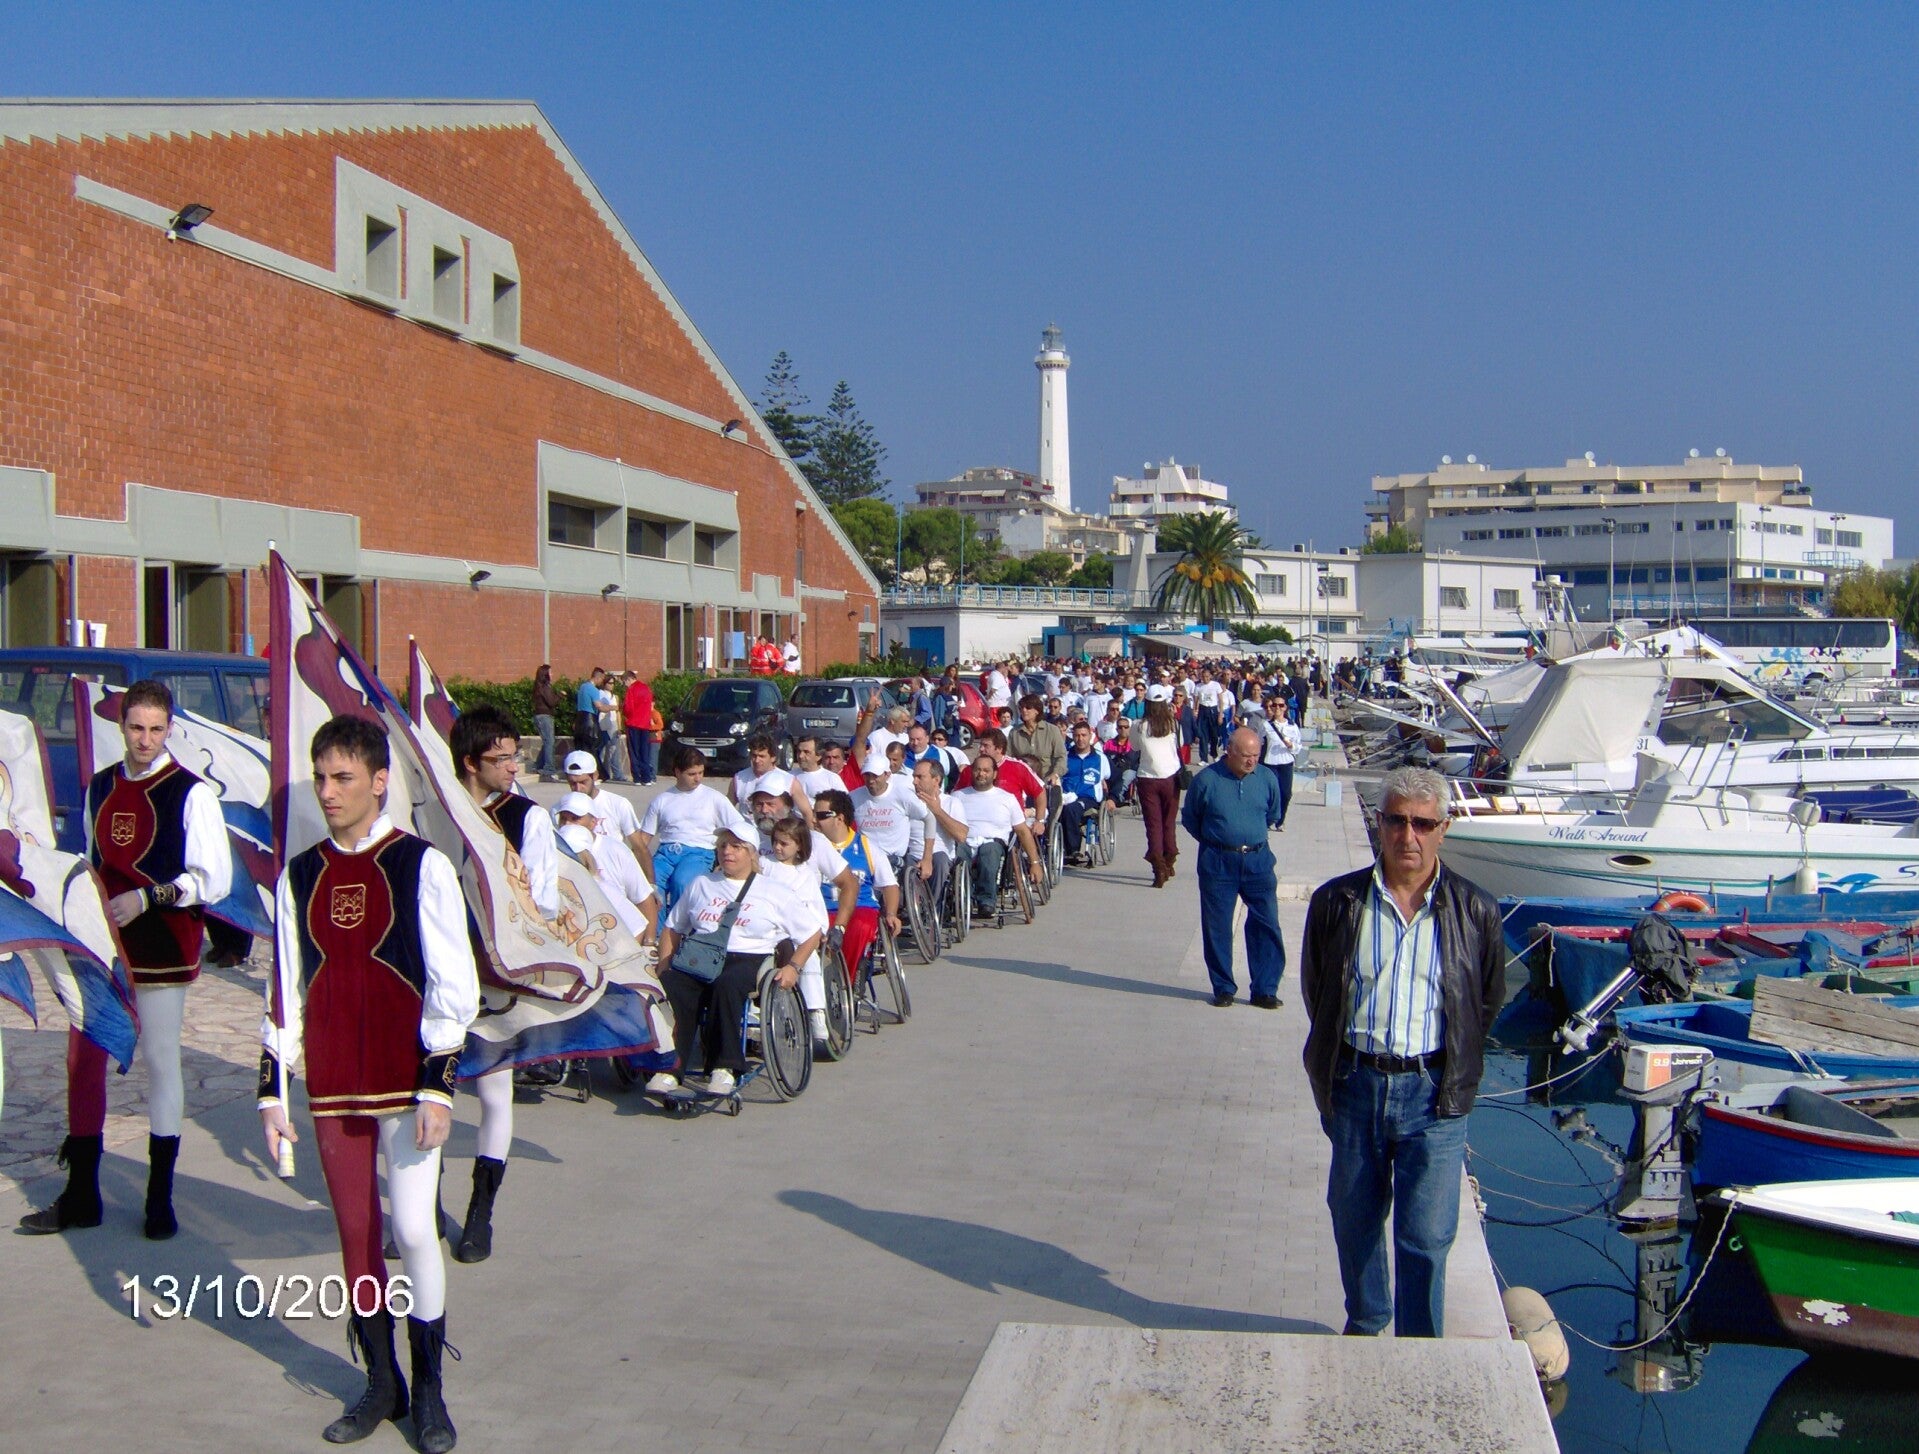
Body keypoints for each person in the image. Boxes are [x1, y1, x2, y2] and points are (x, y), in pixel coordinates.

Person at [260, 714, 476, 1451]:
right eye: (320, 777)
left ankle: (430, 1390)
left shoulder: (420, 865)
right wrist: (271, 1088)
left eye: (342, 778)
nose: (327, 792)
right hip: (331, 1084)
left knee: (412, 1230)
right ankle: (382, 1382)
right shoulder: (300, 873)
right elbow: (286, 985)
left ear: (380, 782)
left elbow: (452, 983)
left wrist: (439, 1086)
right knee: (355, 1235)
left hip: (403, 1083)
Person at [22, 678, 233, 1240]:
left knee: (160, 1061)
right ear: (121, 727)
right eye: (136, 727)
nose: (145, 739)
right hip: (104, 945)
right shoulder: (101, 786)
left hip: (162, 944)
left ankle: (159, 1199)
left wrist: (148, 897)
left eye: (156, 729)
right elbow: (92, 860)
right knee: (83, 1058)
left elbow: (212, 879)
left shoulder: (191, 793)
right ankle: (82, 1193)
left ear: (170, 729)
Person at [1301, 766, 1502, 1339]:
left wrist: (1451, 1068)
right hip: (1357, 1084)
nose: (1407, 835)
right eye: (1396, 820)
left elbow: (1485, 1002)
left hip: (1433, 1093)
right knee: (1354, 1219)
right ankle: (1367, 1324)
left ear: (1443, 829)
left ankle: (1420, 1346)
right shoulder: (1337, 901)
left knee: (1427, 1235)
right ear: (1380, 823)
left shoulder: (1475, 910)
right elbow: (1319, 992)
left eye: (1422, 824)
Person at [449, 705, 559, 1266]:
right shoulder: (436, 811)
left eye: (515, 755)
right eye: (503, 758)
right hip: (438, 971)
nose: (514, 766)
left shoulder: (527, 817)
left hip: (494, 974)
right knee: (426, 1091)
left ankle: (480, 1211)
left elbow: (544, 901)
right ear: (471, 762)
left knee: (495, 1093)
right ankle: (419, 1209)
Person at [651, 826, 816, 1098]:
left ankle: (724, 1067)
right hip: (702, 955)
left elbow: (811, 933)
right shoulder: (701, 883)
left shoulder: (774, 891)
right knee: (673, 985)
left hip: (749, 956)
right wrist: (664, 963)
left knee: (726, 985)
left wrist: (793, 967)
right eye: (723, 846)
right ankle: (670, 1066)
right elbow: (673, 927)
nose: (727, 851)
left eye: (736, 846)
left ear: (751, 853)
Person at [1180, 727, 1285, 1008]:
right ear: (1229, 751)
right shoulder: (1206, 780)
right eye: (1246, 755)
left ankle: (1265, 989)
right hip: (1218, 862)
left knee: (1266, 923)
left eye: (1256, 755)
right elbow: (1191, 818)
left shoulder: (1266, 778)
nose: (1252, 761)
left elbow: (1273, 814)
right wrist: (1218, 840)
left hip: (1258, 861)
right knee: (1217, 926)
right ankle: (1223, 987)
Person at [756, 803, 857, 1045]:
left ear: (799, 846)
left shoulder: (806, 874)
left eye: (784, 844)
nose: (777, 847)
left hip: (801, 932)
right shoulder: (765, 865)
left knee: (808, 957)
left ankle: (816, 1012)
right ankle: (758, 1012)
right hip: (772, 929)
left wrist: (824, 930)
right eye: (775, 842)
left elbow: (813, 908)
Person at [635, 745, 755, 911]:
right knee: (647, 885)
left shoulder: (714, 798)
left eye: (701, 773)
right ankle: (657, 926)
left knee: (682, 882)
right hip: (666, 852)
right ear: (677, 772)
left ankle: (679, 924)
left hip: (699, 852)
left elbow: (738, 827)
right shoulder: (662, 800)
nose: (698, 778)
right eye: (692, 774)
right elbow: (644, 838)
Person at [808, 790, 899, 1000]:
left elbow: (889, 885)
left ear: (839, 818)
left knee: (859, 926)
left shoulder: (866, 846)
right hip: (823, 908)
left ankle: (847, 982)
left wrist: (891, 914)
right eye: (813, 814)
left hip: (861, 906)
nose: (814, 820)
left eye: (820, 815)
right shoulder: (811, 846)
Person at [554, 794, 659, 943]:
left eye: (575, 818)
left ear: (593, 822)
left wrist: (648, 944)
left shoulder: (617, 852)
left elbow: (642, 903)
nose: (567, 824)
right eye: (563, 819)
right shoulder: (552, 855)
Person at [952, 754, 1023, 916]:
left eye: (986, 770)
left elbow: (1022, 830)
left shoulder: (1007, 798)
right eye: (977, 770)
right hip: (964, 840)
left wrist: (1034, 862)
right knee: (958, 854)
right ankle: (963, 897)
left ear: (994, 774)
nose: (981, 774)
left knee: (988, 853)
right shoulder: (958, 796)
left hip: (993, 842)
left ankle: (986, 901)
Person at [563, 748, 650, 879]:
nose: (578, 788)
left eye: (583, 782)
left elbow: (639, 848)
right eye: (572, 783)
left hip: (614, 874)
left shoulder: (618, 804)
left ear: (595, 776)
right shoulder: (560, 811)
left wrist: (651, 883)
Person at [1135, 689, 1183, 889]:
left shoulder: (1139, 725)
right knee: (1168, 822)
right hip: (1170, 776)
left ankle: (1158, 868)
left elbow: (1134, 747)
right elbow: (1181, 744)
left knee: (1153, 825)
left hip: (1148, 778)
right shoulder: (1173, 724)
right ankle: (1169, 858)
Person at [1058, 721, 1109, 867]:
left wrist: (1112, 798)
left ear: (1090, 736)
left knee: (1071, 809)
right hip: (1066, 796)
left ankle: (1072, 850)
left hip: (1088, 798)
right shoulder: (1065, 757)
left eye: (1083, 735)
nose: (1080, 739)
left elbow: (1113, 778)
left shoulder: (1100, 758)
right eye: (1077, 735)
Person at [1262, 697, 1304, 831]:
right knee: (1272, 793)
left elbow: (1298, 745)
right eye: (1274, 705)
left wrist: (1291, 745)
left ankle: (1280, 821)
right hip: (1271, 762)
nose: (1277, 708)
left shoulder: (1292, 726)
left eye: (1281, 705)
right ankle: (1269, 819)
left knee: (1286, 793)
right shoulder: (1266, 725)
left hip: (1286, 762)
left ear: (1285, 707)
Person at [622, 672, 657, 786]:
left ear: (628, 679)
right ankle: (646, 777)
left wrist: (624, 713)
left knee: (634, 752)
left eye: (624, 682)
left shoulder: (631, 690)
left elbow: (628, 708)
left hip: (633, 723)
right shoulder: (646, 688)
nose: (625, 684)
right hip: (645, 724)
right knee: (644, 751)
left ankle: (637, 777)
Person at [531, 664, 560, 781]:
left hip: (541, 716)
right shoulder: (545, 688)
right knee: (549, 742)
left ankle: (538, 765)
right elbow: (551, 702)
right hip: (544, 716)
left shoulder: (539, 687)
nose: (552, 675)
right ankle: (549, 768)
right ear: (545, 675)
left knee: (547, 742)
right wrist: (560, 695)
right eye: (550, 673)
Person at [574, 667, 605, 756]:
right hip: (589, 721)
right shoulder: (593, 690)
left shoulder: (582, 687)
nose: (602, 681)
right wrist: (614, 707)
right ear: (598, 677)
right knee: (592, 749)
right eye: (602, 679)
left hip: (580, 720)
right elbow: (599, 706)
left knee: (581, 748)